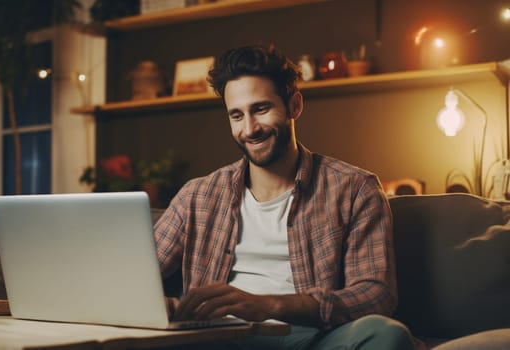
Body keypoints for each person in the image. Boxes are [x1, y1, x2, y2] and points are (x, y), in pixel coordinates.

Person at [153, 45, 417, 350]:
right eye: (236, 115)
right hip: (220, 340)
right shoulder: (197, 196)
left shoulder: (355, 189)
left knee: (385, 334)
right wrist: (159, 305)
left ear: (294, 106)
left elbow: (376, 294)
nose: (249, 129)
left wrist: (270, 306)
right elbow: (133, 272)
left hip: (312, 339)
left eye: (261, 109)